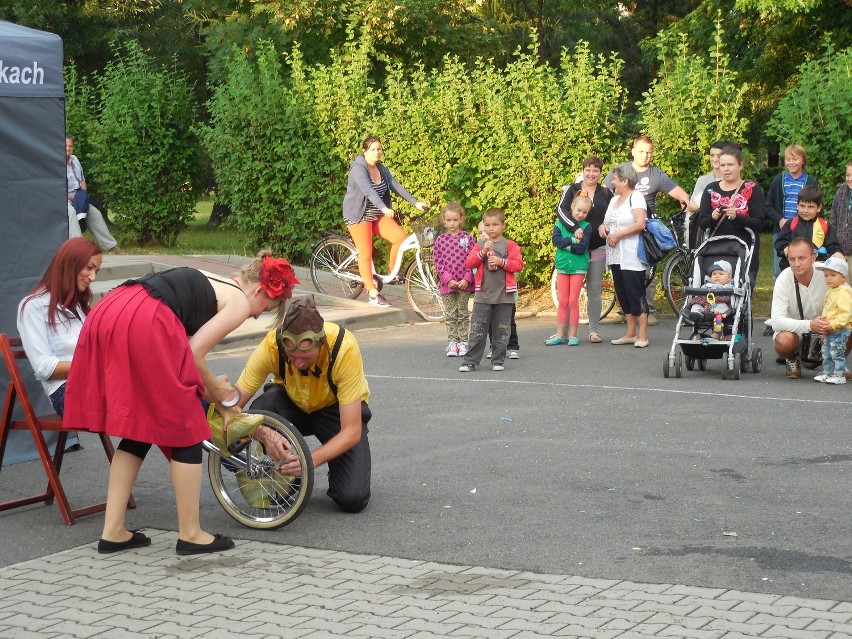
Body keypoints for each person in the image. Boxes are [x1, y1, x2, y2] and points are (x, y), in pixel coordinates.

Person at [63, 252, 298, 555]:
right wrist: (221, 395)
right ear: (258, 290)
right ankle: (191, 534)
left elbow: (183, 356)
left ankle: (113, 531)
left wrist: (216, 395)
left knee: (140, 430)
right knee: (186, 428)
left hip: (114, 306)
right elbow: (193, 351)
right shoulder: (240, 300)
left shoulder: (215, 283)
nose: (256, 315)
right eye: (266, 307)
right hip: (145, 317)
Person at [233, 297, 372, 512]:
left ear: (321, 342)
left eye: (306, 357)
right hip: (291, 404)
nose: (298, 363)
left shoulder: (343, 348)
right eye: (292, 356)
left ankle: (320, 466)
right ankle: (284, 474)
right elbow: (233, 406)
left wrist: (310, 460)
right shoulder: (272, 344)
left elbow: (352, 430)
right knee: (264, 407)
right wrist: (261, 432)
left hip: (333, 410)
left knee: (352, 498)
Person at [603, 136, 694, 324]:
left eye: (649, 152)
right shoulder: (620, 171)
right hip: (620, 227)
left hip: (643, 230)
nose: (646, 156)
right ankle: (624, 312)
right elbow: (605, 194)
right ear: (633, 151)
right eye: (642, 151)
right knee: (620, 272)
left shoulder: (656, 175)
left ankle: (648, 310)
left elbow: (680, 194)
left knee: (645, 270)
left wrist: (692, 206)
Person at [17, 238, 102, 417]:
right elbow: (44, 367)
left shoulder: (78, 306)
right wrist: (92, 364)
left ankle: (125, 447)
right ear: (69, 264)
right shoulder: (34, 306)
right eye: (89, 268)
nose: (93, 278)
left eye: (96, 271)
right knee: (147, 402)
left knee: (152, 397)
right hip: (66, 391)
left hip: (95, 382)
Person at [341, 136, 430, 307]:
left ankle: (391, 273)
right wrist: (383, 208)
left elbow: (394, 184)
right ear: (364, 151)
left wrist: (415, 202)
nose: (377, 152)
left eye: (379, 149)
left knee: (400, 238)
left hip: (375, 215)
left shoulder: (380, 167)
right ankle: (372, 294)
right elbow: (368, 191)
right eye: (373, 149)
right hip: (358, 215)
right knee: (366, 252)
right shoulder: (358, 169)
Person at [767, 238, 847, 379]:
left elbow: (848, 298)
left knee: (849, 325)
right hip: (797, 333)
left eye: (802, 258)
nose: (796, 264)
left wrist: (832, 324)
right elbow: (776, 321)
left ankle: (836, 363)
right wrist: (810, 325)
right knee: (784, 340)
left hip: (828, 330)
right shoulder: (783, 279)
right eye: (792, 259)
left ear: (813, 257)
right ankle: (792, 358)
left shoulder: (827, 273)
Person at [458, 208, 524, 372]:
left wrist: (502, 261)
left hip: (504, 296)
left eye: (495, 224)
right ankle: (470, 361)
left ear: (503, 225)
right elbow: (469, 263)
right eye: (487, 225)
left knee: (502, 330)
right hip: (482, 295)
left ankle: (498, 360)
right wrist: (482, 253)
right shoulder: (480, 244)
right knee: (477, 330)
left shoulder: (510, 245)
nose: (491, 228)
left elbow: (518, 265)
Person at [556, 156, 613, 343]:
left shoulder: (606, 193)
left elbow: (613, 215)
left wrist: (605, 225)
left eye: (595, 170)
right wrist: (575, 229)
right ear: (583, 171)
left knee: (594, 290)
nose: (591, 173)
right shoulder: (572, 189)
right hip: (572, 250)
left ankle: (594, 330)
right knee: (570, 294)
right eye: (588, 169)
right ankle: (563, 333)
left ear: (600, 173)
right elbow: (561, 210)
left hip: (597, 248)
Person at [697, 144, 766, 286]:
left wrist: (737, 217)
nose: (726, 169)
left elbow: (759, 223)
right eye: (722, 165)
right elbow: (702, 223)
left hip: (744, 250)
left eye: (730, 165)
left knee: (742, 293)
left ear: (740, 165)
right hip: (716, 251)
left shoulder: (752, 189)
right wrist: (713, 217)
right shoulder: (711, 189)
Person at [599, 163, 649, 348]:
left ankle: (643, 335)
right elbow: (606, 222)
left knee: (636, 293)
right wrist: (602, 228)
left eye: (615, 179)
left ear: (625, 181)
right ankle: (630, 333)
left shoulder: (636, 197)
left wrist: (618, 235)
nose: (612, 182)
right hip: (614, 254)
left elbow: (640, 223)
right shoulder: (614, 200)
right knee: (622, 293)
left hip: (631, 253)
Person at [766, 144, 820, 278]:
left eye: (795, 159)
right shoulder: (778, 181)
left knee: (804, 267)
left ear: (803, 160)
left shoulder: (810, 181)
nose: (791, 163)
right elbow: (768, 206)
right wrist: (780, 219)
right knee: (780, 271)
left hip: (804, 231)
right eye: (788, 159)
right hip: (781, 232)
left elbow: (815, 206)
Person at [546, 194, 592, 346]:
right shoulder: (560, 224)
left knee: (573, 301)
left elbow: (582, 248)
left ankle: (573, 335)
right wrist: (572, 240)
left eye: (584, 212)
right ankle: (559, 335)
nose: (581, 214)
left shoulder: (587, 227)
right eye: (578, 210)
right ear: (572, 206)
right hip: (563, 266)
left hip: (578, 267)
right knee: (563, 301)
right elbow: (556, 241)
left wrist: (565, 246)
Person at [433, 202, 475, 357]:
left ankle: (464, 341)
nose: (452, 223)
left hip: (464, 284)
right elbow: (438, 263)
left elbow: (473, 261)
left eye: (455, 220)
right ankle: (452, 342)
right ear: (444, 220)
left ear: (461, 219)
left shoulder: (469, 239)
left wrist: (467, 278)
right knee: (451, 314)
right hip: (447, 285)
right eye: (449, 220)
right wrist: (447, 279)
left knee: (463, 313)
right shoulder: (440, 241)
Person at [65, 136, 119, 252]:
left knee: (95, 213)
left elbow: (82, 180)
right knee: (71, 213)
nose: (68, 148)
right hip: (64, 198)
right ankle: (78, 249)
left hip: (78, 195)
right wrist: (72, 197)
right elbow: (56, 187)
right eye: (65, 146)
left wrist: (82, 195)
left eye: (70, 146)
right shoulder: (56, 164)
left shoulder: (75, 159)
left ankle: (110, 246)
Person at [477, 220, 521, 360]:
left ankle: (512, 346)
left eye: (486, 231)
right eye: (481, 232)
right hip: (488, 294)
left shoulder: (507, 246)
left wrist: (500, 261)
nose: (484, 234)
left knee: (508, 322)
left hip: (506, 294)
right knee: (490, 323)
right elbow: (472, 265)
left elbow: (517, 266)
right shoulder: (480, 248)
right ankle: (494, 347)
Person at [775, 185, 843, 271]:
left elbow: (833, 246)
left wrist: (837, 253)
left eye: (810, 207)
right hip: (793, 269)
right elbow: (780, 242)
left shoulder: (825, 225)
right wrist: (786, 249)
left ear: (818, 208)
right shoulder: (791, 224)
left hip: (817, 270)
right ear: (797, 206)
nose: (806, 210)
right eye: (802, 206)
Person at [811, 256, 852, 384]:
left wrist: (833, 325)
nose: (828, 278)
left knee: (837, 351)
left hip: (840, 329)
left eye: (833, 275)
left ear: (843, 277)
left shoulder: (844, 293)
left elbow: (846, 314)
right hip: (829, 328)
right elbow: (827, 309)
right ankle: (828, 372)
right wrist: (824, 323)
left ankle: (839, 374)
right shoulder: (831, 291)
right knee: (826, 352)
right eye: (826, 275)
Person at [688, 141, 731, 249]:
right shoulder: (703, 181)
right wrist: (706, 208)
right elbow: (691, 206)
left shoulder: (731, 179)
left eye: (719, 155)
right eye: (712, 155)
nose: (715, 159)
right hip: (706, 231)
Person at [682, 260, 734, 340]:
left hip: (719, 303)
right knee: (696, 304)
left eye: (721, 274)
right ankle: (697, 314)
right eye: (714, 274)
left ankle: (716, 332)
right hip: (704, 303)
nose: (717, 276)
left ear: (729, 277)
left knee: (720, 310)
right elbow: (699, 293)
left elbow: (728, 298)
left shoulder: (728, 286)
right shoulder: (707, 285)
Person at [829, 161, 852, 275]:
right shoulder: (841, 191)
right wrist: (835, 248)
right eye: (848, 175)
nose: (850, 179)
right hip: (841, 253)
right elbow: (833, 220)